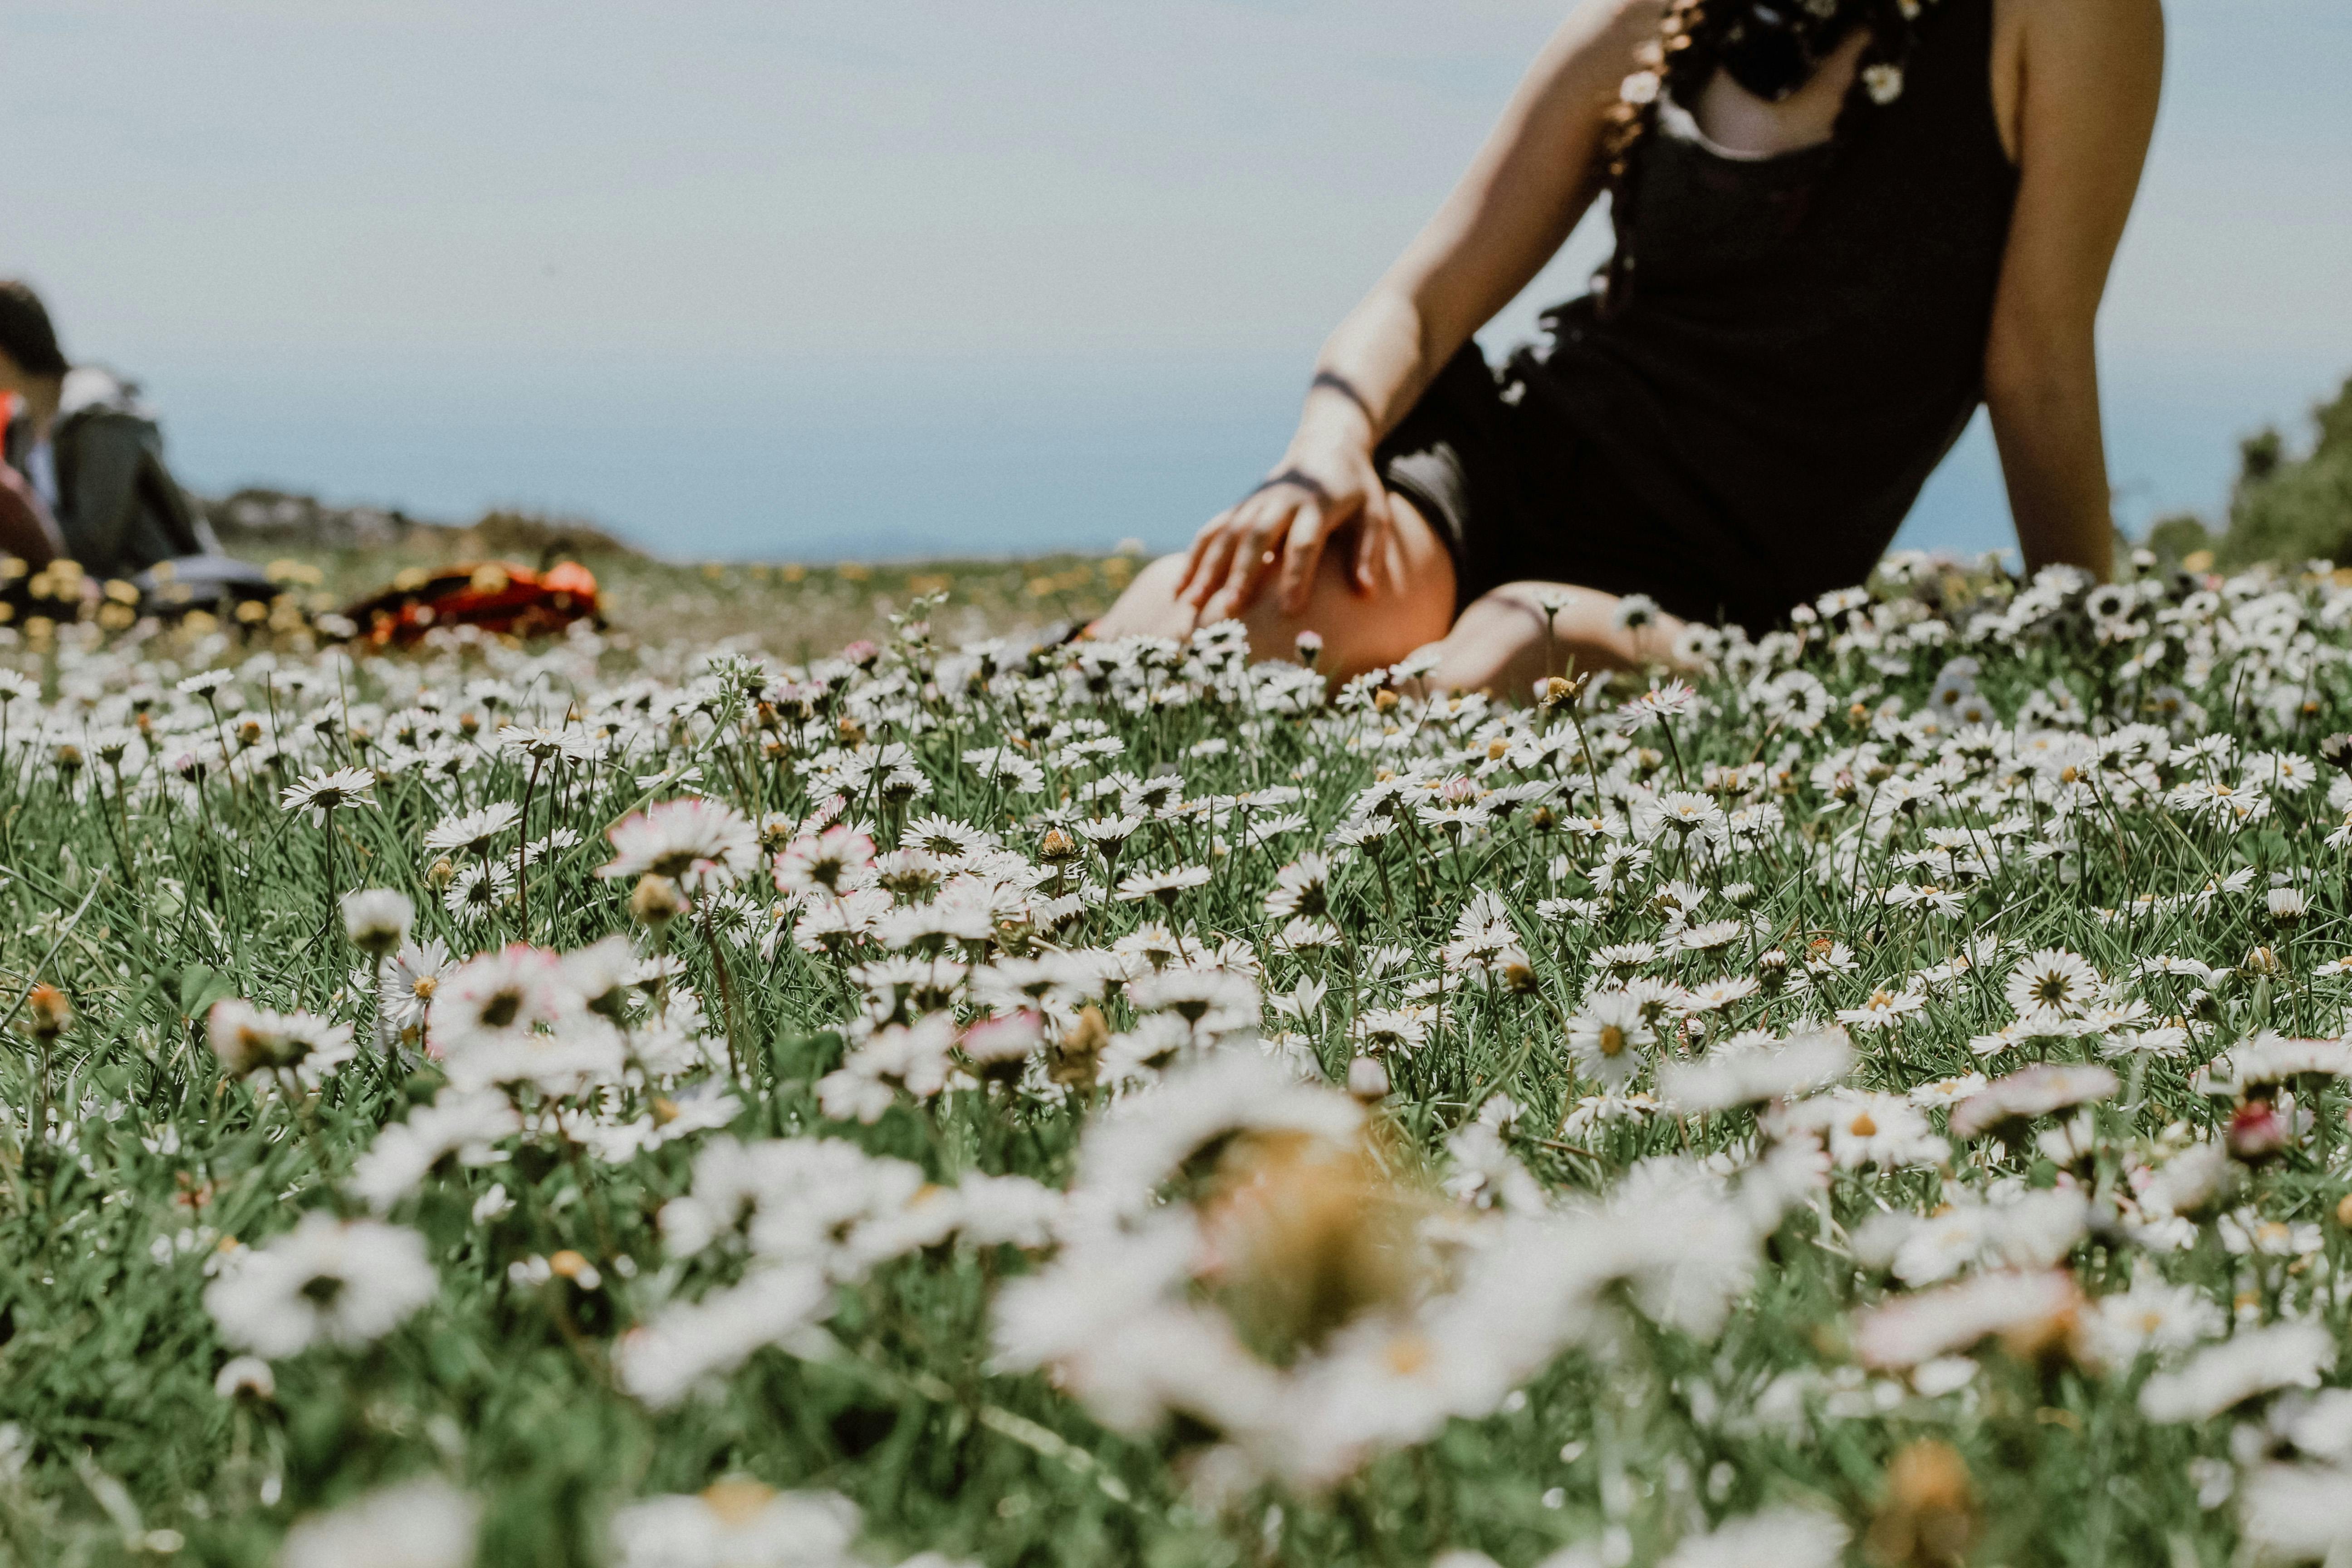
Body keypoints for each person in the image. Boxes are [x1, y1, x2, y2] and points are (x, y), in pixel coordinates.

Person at [1091, 0, 2163, 692]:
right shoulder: (1664, 16)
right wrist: (1325, 444)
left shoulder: (2067, 14)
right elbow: (1421, 300)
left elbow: (2037, 368)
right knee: (1178, 645)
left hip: (1719, 580)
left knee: (1495, 663)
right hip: (1502, 469)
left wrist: (2089, 656)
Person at [0, 279, 226, 582]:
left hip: (160, 591)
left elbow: (96, 546)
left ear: (6, 354)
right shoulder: (22, 424)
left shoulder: (102, 417)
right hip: (78, 595)